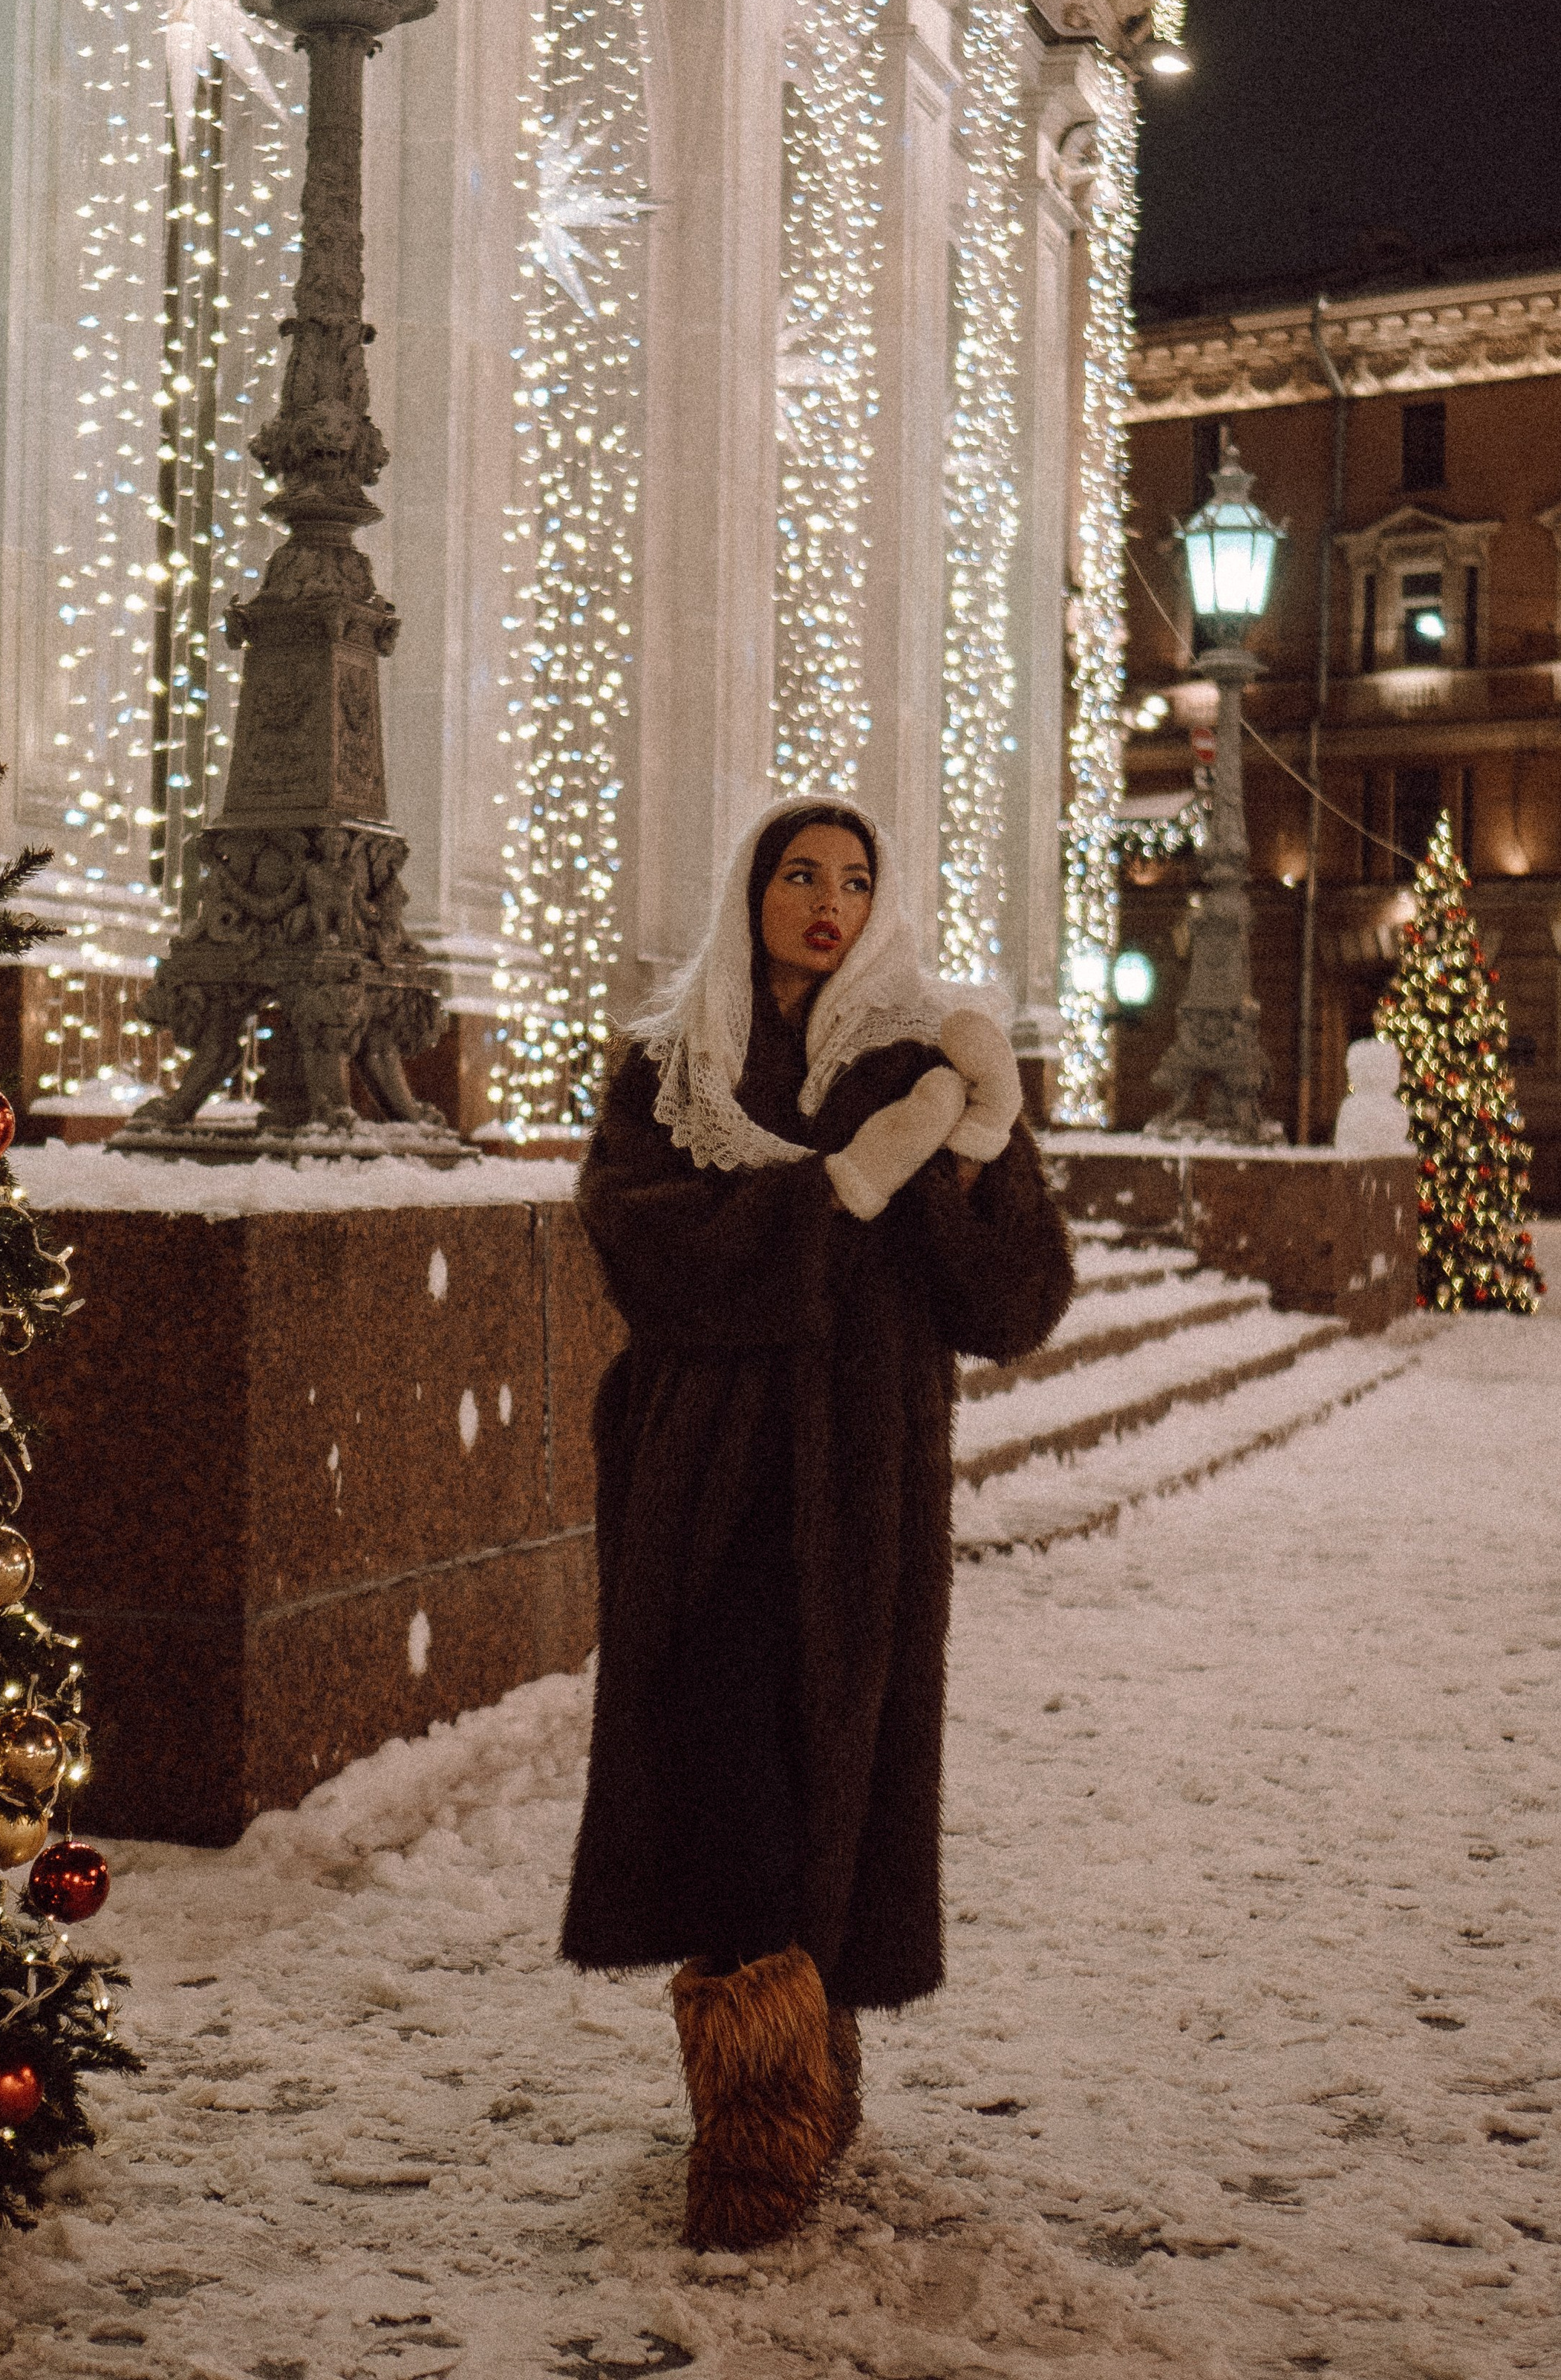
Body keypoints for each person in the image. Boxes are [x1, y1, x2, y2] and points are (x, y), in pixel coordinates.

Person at [561, 796, 1075, 2251]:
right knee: (726, 1783)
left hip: (860, 1494)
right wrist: (838, 1188)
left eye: (854, 877)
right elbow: (640, 1247)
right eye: (797, 873)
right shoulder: (672, 1073)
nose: (825, 899)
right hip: (703, 1482)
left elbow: (1014, 1304)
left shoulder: (920, 1066)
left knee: (831, 1783)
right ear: (751, 893)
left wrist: (969, 1150)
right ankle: (749, 2119)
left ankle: (804, 2063)